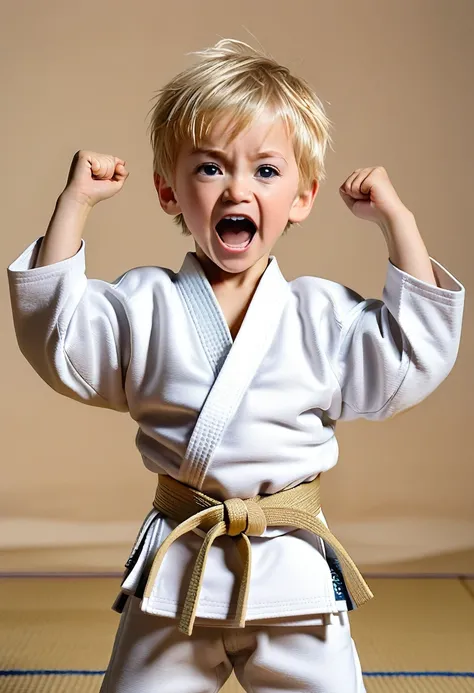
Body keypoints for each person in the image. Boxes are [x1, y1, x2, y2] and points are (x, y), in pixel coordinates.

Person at [7, 39, 465, 693]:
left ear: (304, 196)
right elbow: (60, 339)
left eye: (266, 171)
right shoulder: (145, 306)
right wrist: (73, 204)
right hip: (178, 569)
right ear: (169, 189)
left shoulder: (320, 316)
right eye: (211, 169)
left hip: (294, 578)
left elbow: (410, 355)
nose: (238, 188)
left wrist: (399, 222)